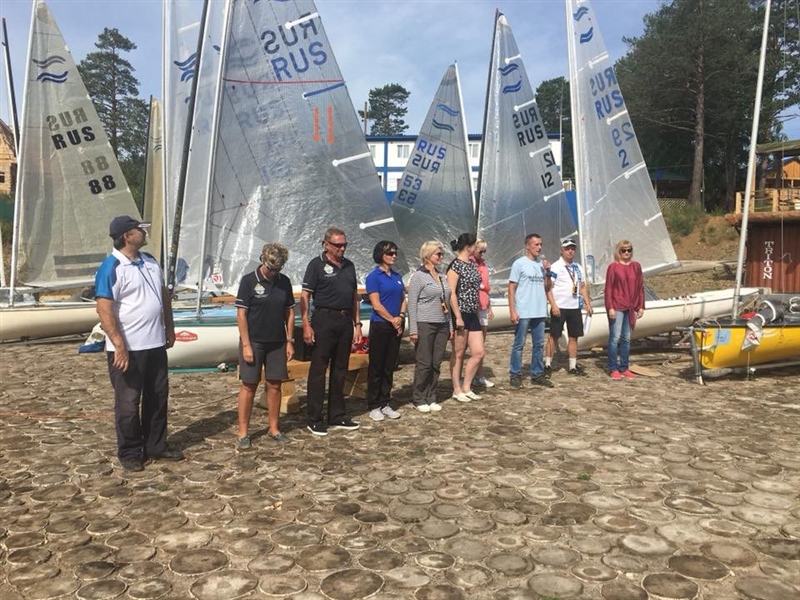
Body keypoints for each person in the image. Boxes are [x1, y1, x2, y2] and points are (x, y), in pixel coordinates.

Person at [95, 216, 183, 472]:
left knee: (158, 397)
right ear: (127, 236)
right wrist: (119, 345)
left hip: (154, 344)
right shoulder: (112, 267)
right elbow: (104, 310)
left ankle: (156, 445)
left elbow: (163, 297)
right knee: (128, 403)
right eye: (139, 230)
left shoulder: (150, 261)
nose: (144, 233)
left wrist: (169, 327)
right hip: (129, 348)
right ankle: (130, 451)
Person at [301, 227, 362, 435]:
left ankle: (337, 414)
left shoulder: (349, 266)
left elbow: (354, 296)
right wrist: (306, 324)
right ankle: (314, 417)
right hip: (324, 318)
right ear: (326, 244)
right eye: (337, 245)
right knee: (319, 369)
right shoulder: (316, 265)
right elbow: (305, 295)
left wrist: (357, 325)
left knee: (340, 369)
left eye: (344, 245)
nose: (342, 249)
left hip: (345, 320)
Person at [234, 243, 295, 450]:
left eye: (277, 269)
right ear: (262, 259)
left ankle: (274, 428)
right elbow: (241, 314)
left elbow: (289, 312)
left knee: (275, 385)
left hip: (277, 341)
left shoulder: (284, 282)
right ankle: (243, 432)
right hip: (254, 341)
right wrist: (246, 345)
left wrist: (289, 341)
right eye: (271, 268)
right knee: (249, 385)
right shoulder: (248, 281)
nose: (273, 272)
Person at [408, 241, 452, 412]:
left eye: (441, 254)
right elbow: (412, 304)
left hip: (442, 323)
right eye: (438, 254)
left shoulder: (441, 276)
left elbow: (446, 302)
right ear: (428, 255)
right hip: (425, 323)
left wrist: (450, 326)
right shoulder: (418, 276)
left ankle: (431, 396)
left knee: (436, 362)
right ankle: (419, 398)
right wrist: (413, 330)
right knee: (424, 363)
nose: (441, 257)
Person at [365, 241, 406, 421]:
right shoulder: (374, 277)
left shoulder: (397, 276)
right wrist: (391, 319)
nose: (393, 256)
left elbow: (402, 298)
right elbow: (376, 304)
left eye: (395, 253)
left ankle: (385, 402)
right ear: (381, 255)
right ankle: (374, 404)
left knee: (389, 366)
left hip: (396, 324)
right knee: (377, 366)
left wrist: (401, 316)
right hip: (381, 324)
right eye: (390, 253)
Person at [508, 233, 553, 389]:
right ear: (527, 246)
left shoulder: (542, 264)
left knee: (538, 345)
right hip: (524, 310)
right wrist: (512, 310)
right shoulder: (519, 264)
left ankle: (537, 374)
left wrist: (548, 272)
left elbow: (547, 287)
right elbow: (511, 288)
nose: (539, 247)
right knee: (519, 344)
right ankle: (515, 374)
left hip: (539, 310)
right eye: (536, 244)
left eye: (541, 244)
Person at [545, 238, 593, 376]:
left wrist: (587, 303)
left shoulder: (578, 267)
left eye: (572, 248)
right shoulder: (556, 266)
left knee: (574, 337)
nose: (570, 251)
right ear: (562, 251)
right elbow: (548, 288)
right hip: (559, 306)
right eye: (567, 249)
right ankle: (547, 364)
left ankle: (572, 366)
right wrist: (553, 305)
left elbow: (582, 286)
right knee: (554, 336)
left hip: (574, 307)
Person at [447, 233, 485, 402]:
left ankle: (466, 386)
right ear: (468, 247)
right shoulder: (455, 266)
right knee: (459, 352)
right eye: (475, 245)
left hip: (472, 312)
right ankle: (456, 388)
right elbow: (452, 293)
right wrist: (457, 316)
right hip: (460, 313)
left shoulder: (471, 264)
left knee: (478, 352)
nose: (477, 249)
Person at [605, 240, 645, 380]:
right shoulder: (613, 267)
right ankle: (613, 368)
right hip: (617, 306)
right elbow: (608, 289)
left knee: (626, 339)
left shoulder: (636, 266)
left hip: (630, 307)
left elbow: (640, 287)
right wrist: (610, 307)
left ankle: (624, 367)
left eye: (629, 250)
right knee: (615, 338)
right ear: (619, 252)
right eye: (623, 250)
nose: (626, 252)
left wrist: (641, 306)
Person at [471, 238, 494, 388]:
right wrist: (483, 287)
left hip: (483, 305)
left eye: (485, 251)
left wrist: (489, 306)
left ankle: (478, 375)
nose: (483, 254)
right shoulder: (469, 264)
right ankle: (468, 375)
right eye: (481, 251)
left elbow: (486, 286)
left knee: (481, 344)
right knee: (468, 345)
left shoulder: (483, 265)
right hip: (472, 306)